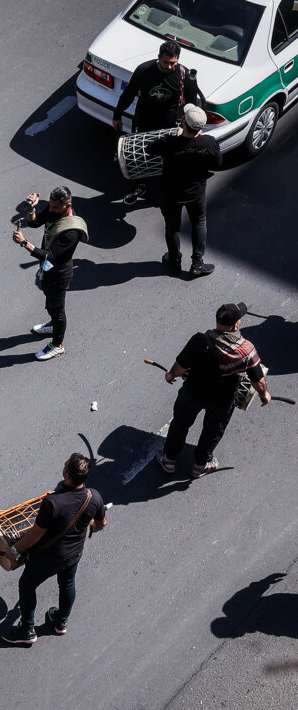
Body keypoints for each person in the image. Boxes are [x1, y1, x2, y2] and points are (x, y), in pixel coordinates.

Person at [2, 453, 107, 646]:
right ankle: (61, 621)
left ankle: (27, 630)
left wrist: (15, 549)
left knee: (27, 585)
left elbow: (35, 534)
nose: (64, 465)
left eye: (65, 464)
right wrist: (91, 525)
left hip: (48, 558)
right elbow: (101, 523)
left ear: (67, 475)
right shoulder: (94, 497)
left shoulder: (53, 502)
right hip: (74, 554)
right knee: (67, 583)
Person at [158, 302, 270, 478]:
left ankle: (169, 460)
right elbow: (258, 381)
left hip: (192, 393)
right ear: (236, 325)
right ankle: (200, 465)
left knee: (180, 423)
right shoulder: (246, 350)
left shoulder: (200, 340)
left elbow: (180, 367)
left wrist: (171, 375)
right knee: (213, 430)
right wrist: (264, 394)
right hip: (222, 401)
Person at [113, 41, 203, 205]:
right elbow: (129, 94)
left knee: (168, 159)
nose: (169, 67)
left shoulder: (184, 75)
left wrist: (194, 128)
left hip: (170, 125)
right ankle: (140, 185)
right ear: (159, 58)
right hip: (145, 120)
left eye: (173, 63)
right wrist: (117, 115)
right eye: (166, 63)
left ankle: (167, 189)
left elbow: (191, 104)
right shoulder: (144, 71)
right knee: (141, 154)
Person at [12, 186, 88, 361]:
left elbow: (51, 256)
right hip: (47, 269)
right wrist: (31, 209)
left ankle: (58, 345)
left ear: (67, 204)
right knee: (50, 302)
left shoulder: (72, 230)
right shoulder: (54, 208)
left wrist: (24, 243)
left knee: (57, 309)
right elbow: (35, 222)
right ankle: (54, 325)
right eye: (50, 206)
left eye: (55, 207)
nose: (51, 210)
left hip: (59, 273)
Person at [146, 104, 221, 277]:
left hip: (170, 193)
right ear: (201, 127)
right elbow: (217, 163)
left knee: (172, 227)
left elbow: (150, 149)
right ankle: (197, 264)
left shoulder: (170, 142)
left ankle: (174, 260)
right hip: (196, 193)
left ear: (183, 123)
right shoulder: (208, 143)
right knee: (199, 223)